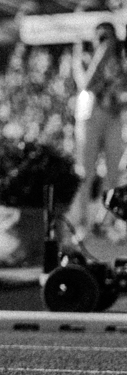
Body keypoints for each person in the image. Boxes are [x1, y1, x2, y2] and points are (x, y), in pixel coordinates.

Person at [72, 22, 125, 234]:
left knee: (113, 170)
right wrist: (100, 54)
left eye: (108, 37)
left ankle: (106, 220)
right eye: (101, 37)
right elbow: (86, 83)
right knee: (86, 171)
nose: (105, 41)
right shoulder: (83, 56)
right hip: (89, 114)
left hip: (113, 115)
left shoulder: (119, 60)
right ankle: (80, 220)